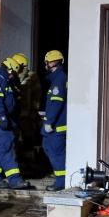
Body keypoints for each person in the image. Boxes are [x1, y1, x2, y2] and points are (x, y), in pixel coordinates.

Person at [0, 57, 32, 189]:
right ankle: (15, 180)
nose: (13, 76)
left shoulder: (4, 79)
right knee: (6, 148)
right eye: (13, 73)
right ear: (9, 69)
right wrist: (3, 116)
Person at [41, 50, 68, 191]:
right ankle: (60, 178)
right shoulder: (58, 79)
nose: (45, 65)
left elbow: (55, 103)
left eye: (47, 63)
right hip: (55, 126)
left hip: (56, 127)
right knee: (48, 148)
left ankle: (61, 182)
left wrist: (49, 122)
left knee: (56, 153)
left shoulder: (58, 80)